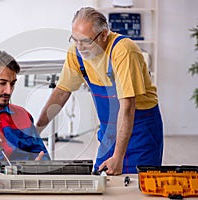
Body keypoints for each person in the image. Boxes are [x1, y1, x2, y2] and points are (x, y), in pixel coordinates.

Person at [36, 7, 163, 175]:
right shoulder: (77, 52)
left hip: (140, 130)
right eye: (75, 40)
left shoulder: (123, 50)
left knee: (134, 187)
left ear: (104, 34)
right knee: (101, 183)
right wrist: (35, 132)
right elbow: (61, 92)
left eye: (86, 41)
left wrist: (118, 157)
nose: (80, 47)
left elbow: (127, 107)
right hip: (108, 133)